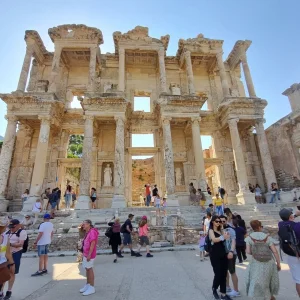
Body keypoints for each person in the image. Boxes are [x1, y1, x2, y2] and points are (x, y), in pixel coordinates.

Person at [245, 220, 280, 300]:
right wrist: (278, 263)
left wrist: (256, 252)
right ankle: (269, 296)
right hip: (268, 262)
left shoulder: (249, 238)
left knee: (257, 280)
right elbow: (275, 251)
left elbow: (248, 251)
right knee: (268, 280)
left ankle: (259, 296)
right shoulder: (267, 237)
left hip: (256, 263)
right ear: (260, 227)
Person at [278, 208, 300, 297]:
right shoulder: (297, 226)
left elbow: (286, 220)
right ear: (290, 216)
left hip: (291, 255)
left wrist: (294, 215)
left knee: (298, 280)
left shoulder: (281, 225)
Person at [208, 215, 231, 300]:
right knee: (218, 273)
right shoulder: (210, 230)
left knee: (224, 274)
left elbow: (226, 238)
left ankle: (223, 293)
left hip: (223, 253)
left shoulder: (221, 230)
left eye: (219, 221)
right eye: (216, 221)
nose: (218, 223)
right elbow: (214, 239)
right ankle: (214, 288)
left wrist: (222, 229)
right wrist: (222, 237)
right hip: (214, 255)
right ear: (213, 222)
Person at [4, 219, 28, 300]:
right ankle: (1, 291)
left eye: (13, 227)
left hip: (15, 254)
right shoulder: (8, 231)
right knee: (3, 273)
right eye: (10, 227)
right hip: (6, 254)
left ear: (18, 225)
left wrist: (9, 244)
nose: (11, 229)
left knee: (12, 272)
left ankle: (9, 291)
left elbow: (20, 244)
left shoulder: (22, 232)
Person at [220, 213, 240, 298]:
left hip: (230, 253)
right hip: (223, 253)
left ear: (226, 221)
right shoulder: (218, 230)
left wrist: (231, 251)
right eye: (220, 221)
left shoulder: (230, 230)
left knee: (232, 271)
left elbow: (233, 241)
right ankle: (227, 287)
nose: (222, 222)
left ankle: (236, 290)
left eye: (223, 221)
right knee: (225, 271)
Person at [79, 219, 99, 296]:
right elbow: (81, 236)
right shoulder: (87, 232)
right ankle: (88, 284)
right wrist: (81, 228)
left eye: (84, 224)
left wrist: (89, 254)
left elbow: (93, 243)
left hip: (89, 254)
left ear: (89, 224)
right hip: (85, 253)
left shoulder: (92, 232)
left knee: (89, 269)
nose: (83, 225)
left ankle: (92, 287)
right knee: (87, 269)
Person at [0, 218, 13, 300]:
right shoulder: (5, 238)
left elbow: (8, 253)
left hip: (2, 265)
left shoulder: (5, 238)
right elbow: (8, 253)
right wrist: (12, 263)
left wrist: (12, 263)